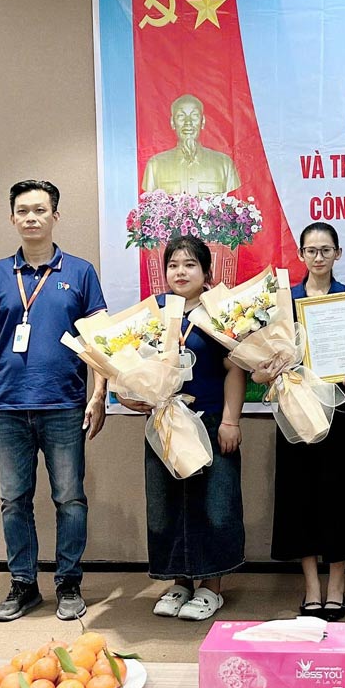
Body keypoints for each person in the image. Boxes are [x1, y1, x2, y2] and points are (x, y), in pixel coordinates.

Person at [0, 179, 108, 622]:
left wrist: (99, 393)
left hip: (64, 404)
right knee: (14, 500)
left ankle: (68, 582)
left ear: (55, 216)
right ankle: (23, 584)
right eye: (23, 211)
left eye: (40, 210)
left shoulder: (80, 272)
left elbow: (99, 341)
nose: (31, 217)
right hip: (7, 405)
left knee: (69, 498)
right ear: (13, 218)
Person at [117, 235, 246, 621]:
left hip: (208, 420)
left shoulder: (220, 312)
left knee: (215, 503)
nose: (181, 271)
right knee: (167, 503)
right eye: (173, 264)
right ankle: (178, 582)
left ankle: (211, 587)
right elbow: (125, 368)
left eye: (190, 264)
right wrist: (127, 397)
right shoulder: (153, 314)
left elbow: (235, 369)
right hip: (164, 422)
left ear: (207, 272)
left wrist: (230, 420)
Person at [254, 222, 345, 622]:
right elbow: (262, 364)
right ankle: (311, 585)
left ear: (338, 254)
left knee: (336, 494)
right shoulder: (284, 300)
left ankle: (337, 584)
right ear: (300, 255)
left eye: (326, 250)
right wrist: (270, 367)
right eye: (311, 250)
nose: (318, 257)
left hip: (336, 405)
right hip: (294, 407)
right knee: (299, 495)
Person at [142, 94, 241, 195]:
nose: (188, 122)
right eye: (181, 116)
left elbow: (233, 204)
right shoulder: (155, 165)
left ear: (202, 122)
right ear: (172, 122)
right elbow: (149, 205)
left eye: (194, 116)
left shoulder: (224, 164)